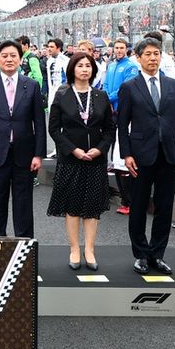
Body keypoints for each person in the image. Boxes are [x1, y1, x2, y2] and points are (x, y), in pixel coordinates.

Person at [117, 37, 175, 275]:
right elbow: (122, 125)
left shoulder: (173, 85)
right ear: (138, 57)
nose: (152, 58)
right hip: (140, 156)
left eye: (156, 53)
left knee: (165, 206)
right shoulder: (129, 87)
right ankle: (140, 254)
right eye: (147, 54)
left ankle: (157, 255)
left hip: (168, 154)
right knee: (138, 206)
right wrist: (126, 154)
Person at [47, 52, 114, 270]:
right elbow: (54, 129)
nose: (84, 69)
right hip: (71, 159)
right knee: (73, 205)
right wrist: (72, 149)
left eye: (88, 66)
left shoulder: (101, 95)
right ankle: (75, 248)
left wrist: (100, 149)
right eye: (80, 66)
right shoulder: (62, 94)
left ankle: (90, 249)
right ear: (72, 70)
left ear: (93, 71)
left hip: (95, 159)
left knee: (92, 206)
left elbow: (110, 129)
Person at [0, 40, 46, 239]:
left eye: (13, 55)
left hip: (24, 154)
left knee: (23, 205)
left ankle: (24, 249)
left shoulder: (31, 86)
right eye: (4, 56)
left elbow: (39, 123)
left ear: (20, 59)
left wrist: (38, 154)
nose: (9, 59)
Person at [105, 38, 139, 214]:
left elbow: (125, 89)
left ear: (127, 50)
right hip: (111, 110)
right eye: (116, 47)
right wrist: (105, 98)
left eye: (121, 48)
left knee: (123, 149)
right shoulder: (110, 66)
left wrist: (108, 98)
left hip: (124, 112)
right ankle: (125, 199)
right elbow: (105, 84)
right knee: (112, 146)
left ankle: (131, 200)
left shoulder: (130, 66)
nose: (118, 50)